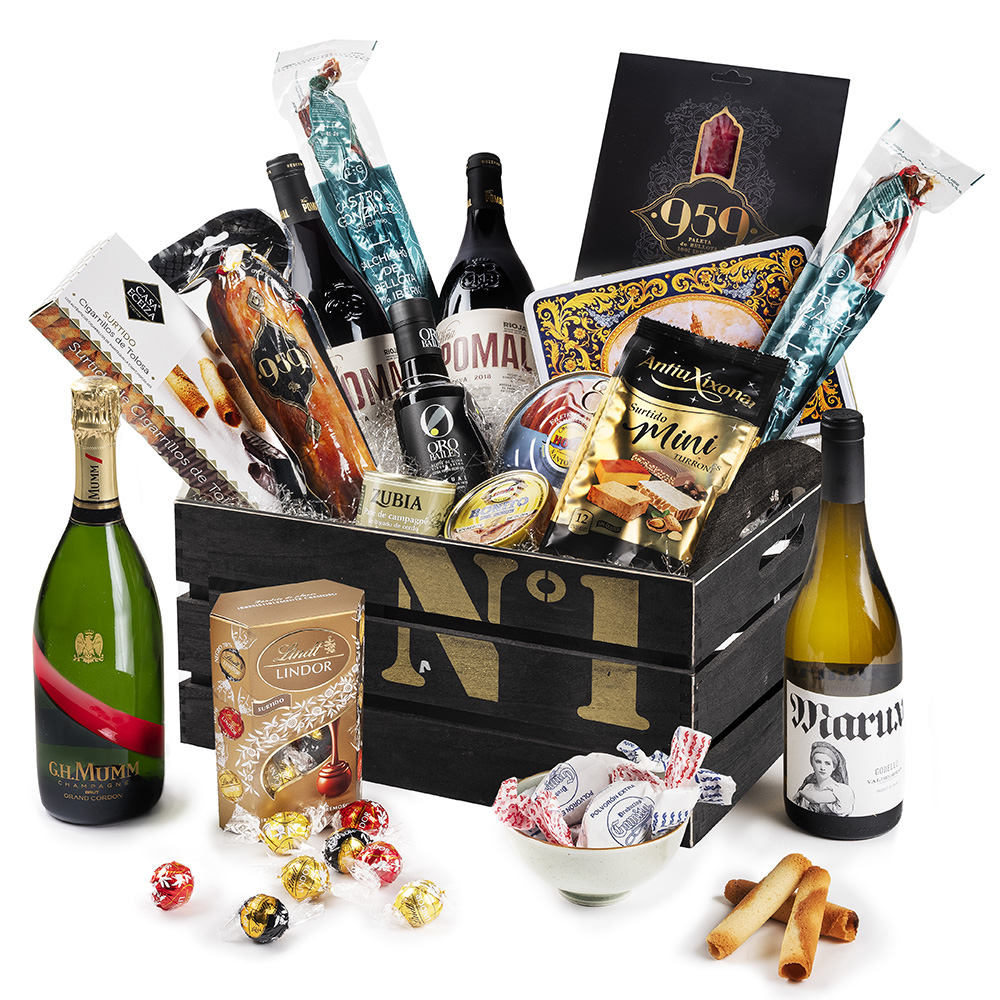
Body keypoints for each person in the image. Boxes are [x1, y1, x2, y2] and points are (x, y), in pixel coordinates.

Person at [793, 741, 854, 815]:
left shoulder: (842, 790)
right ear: (812, 764)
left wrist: (801, 792)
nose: (822, 768)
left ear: (834, 767)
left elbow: (815, 798)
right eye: (818, 762)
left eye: (827, 763)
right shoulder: (808, 788)